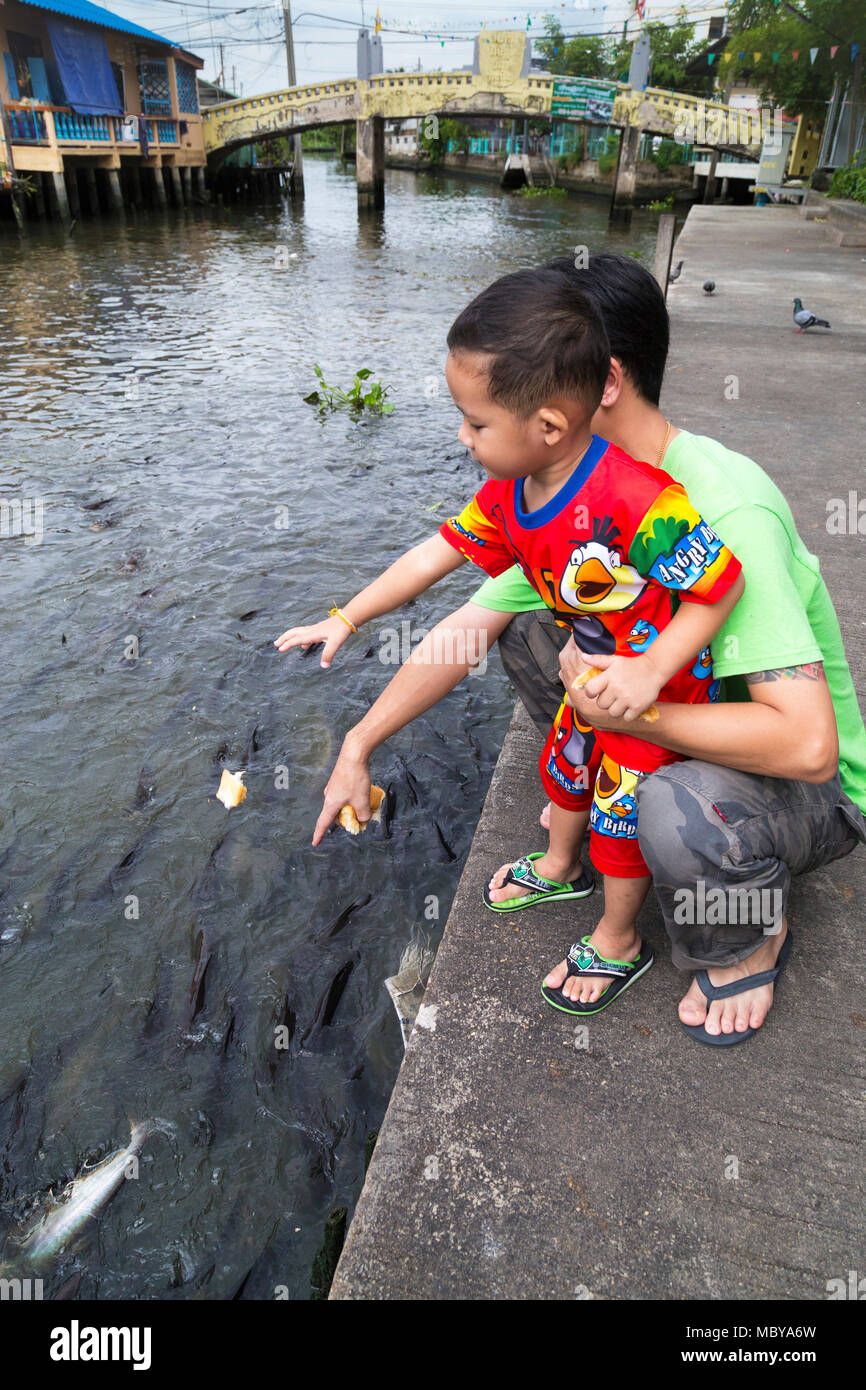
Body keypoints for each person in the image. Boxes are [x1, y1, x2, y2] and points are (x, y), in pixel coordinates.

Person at [283, 253, 866, 1047]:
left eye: (479, 420)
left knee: (671, 812)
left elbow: (806, 745)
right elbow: (465, 625)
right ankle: (589, 843)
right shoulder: (557, 491)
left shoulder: (716, 511)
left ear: (598, 386)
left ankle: (750, 926)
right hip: (655, 704)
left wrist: (638, 706)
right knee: (528, 628)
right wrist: (358, 740)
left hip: (815, 790)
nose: (464, 439)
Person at [435, 269, 744, 1022]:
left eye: (475, 424)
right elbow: (432, 556)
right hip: (591, 682)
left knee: (619, 814)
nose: (463, 436)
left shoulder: (637, 498)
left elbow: (722, 585)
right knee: (566, 770)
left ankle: (616, 938)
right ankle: (559, 864)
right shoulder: (518, 490)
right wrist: (347, 619)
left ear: (546, 423)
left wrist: (651, 671)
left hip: (650, 695)